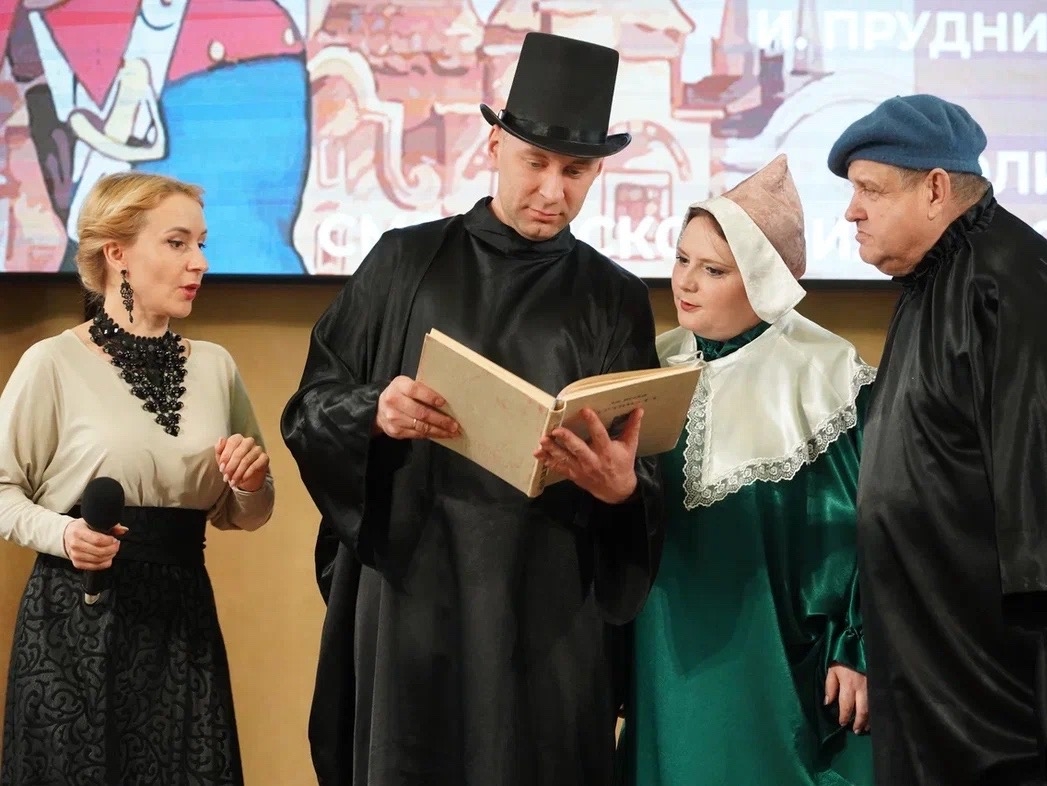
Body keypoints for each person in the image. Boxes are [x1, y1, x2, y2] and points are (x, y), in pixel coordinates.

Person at [280, 32, 663, 786]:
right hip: (413, 592)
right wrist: (375, 411)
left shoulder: (613, 297)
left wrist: (624, 489)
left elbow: (640, 466)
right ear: (494, 145)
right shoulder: (401, 262)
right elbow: (310, 409)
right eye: (535, 162)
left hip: (546, 606)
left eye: (575, 171)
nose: (552, 190)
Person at [829, 93, 1047, 786]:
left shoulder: (1019, 284)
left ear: (935, 188)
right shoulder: (935, 281)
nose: (851, 212)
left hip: (1004, 680)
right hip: (940, 664)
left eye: (870, 190)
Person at [0, 171, 275, 785]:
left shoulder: (216, 367)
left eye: (201, 244)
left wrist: (251, 484)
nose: (199, 262)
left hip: (182, 622)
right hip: (75, 621)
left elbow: (247, 514)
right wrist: (64, 535)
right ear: (116, 253)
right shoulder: (53, 362)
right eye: (177, 243)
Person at [615, 155, 876, 786]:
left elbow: (866, 528)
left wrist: (857, 645)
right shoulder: (652, 363)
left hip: (780, 657)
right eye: (682, 259)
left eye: (713, 270)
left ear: (762, 279)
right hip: (667, 644)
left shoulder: (826, 375)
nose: (686, 282)